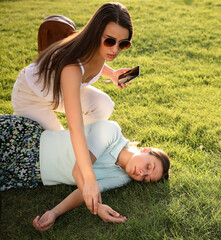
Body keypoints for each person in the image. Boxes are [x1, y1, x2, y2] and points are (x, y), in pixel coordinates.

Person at [11, 2, 135, 215]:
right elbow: (75, 125)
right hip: (30, 97)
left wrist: (113, 74)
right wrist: (89, 180)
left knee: (103, 105)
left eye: (123, 44)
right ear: (96, 34)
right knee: (56, 141)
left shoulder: (97, 50)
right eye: (109, 41)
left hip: (57, 92)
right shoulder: (72, 66)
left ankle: (87, 150)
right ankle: (82, 155)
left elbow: (98, 62)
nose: (114, 50)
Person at [0, 114, 170, 231]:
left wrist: (54, 212)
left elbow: (84, 191)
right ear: (146, 150)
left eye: (145, 179)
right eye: (148, 166)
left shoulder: (122, 177)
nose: (141, 174)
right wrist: (97, 206)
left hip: (29, 173)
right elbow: (79, 170)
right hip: (26, 143)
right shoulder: (112, 132)